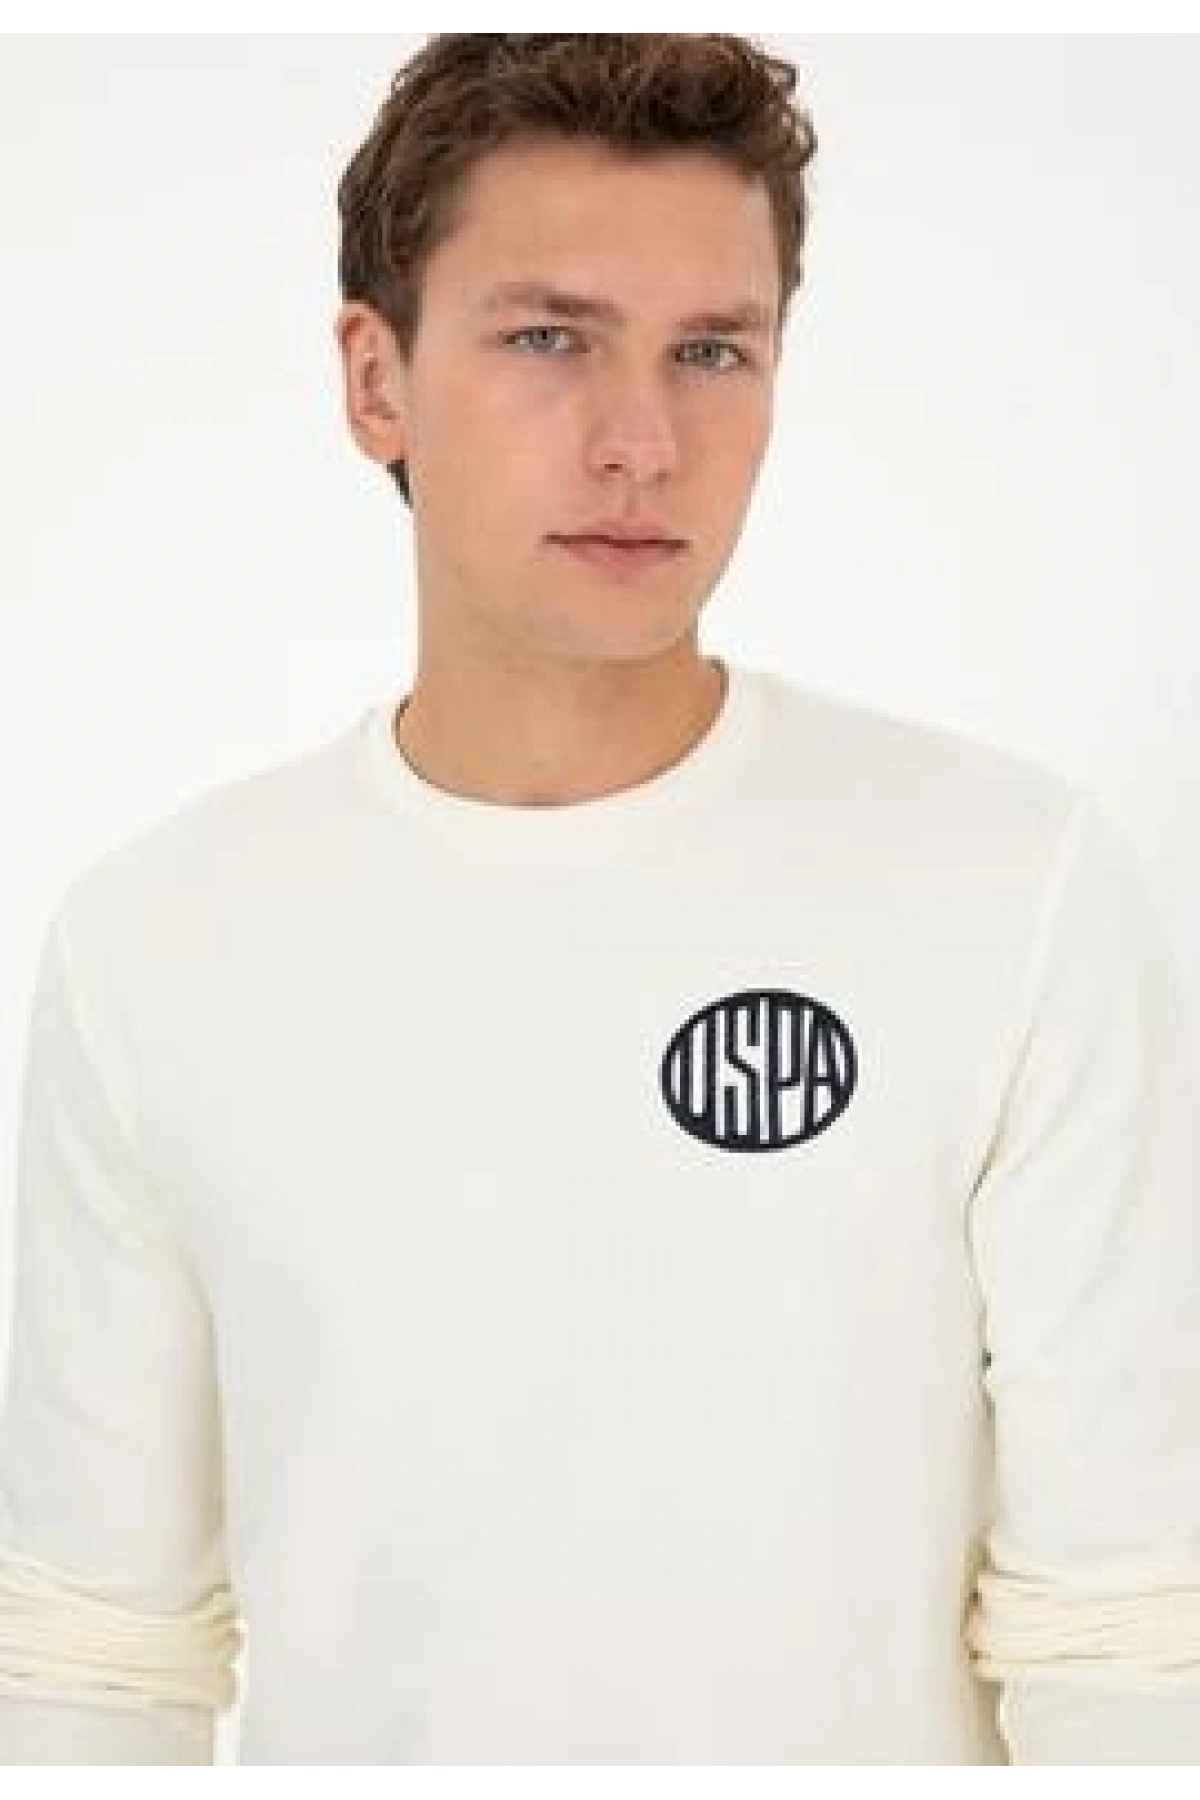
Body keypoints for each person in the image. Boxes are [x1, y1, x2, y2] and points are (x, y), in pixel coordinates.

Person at [2, 31, 1199, 1769]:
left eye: (712, 350)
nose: (643, 440)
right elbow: (96, 1656)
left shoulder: (1014, 889)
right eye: (549, 338)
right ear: (375, 380)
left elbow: (1130, 1624)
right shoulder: (153, 949)